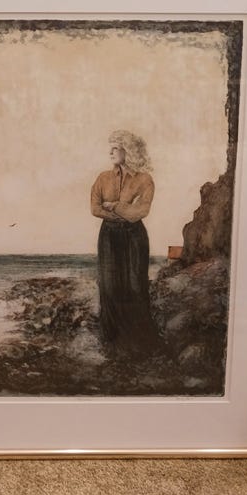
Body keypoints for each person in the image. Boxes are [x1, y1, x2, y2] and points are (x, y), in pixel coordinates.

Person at [91, 130, 158, 356]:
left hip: (134, 237)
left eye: (115, 148)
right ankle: (111, 342)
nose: (110, 152)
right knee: (109, 286)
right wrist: (123, 211)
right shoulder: (103, 178)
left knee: (135, 286)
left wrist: (115, 206)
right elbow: (95, 208)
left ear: (128, 151)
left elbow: (141, 211)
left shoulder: (145, 180)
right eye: (110, 147)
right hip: (109, 236)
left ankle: (139, 342)